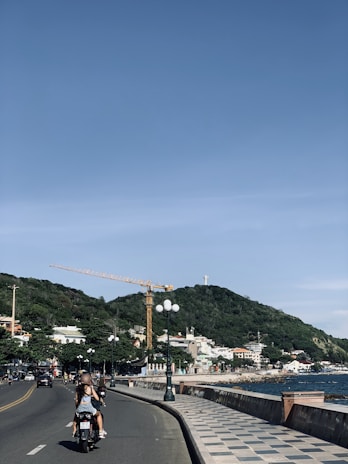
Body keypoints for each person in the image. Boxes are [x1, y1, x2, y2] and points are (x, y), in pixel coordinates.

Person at [72, 373, 107, 439]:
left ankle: (74, 431)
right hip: (89, 409)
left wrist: (77, 408)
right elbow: (97, 398)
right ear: (89, 381)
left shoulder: (78, 389)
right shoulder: (90, 388)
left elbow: (76, 400)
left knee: (75, 419)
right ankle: (100, 431)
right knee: (99, 414)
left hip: (80, 409)